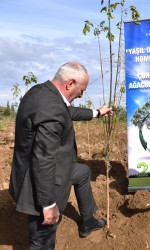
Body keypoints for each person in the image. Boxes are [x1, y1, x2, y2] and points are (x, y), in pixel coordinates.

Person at [9, 62, 113, 249]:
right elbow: (44, 159)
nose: (81, 95)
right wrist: (48, 204)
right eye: (81, 90)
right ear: (70, 83)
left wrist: (97, 113)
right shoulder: (52, 108)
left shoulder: (40, 93)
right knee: (42, 242)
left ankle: (87, 221)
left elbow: (67, 111)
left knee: (81, 172)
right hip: (40, 182)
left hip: (45, 169)